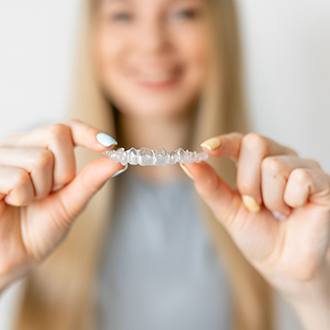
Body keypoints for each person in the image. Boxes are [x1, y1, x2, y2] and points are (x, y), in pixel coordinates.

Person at [0, 0, 329, 329]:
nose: (152, 42)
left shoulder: (277, 195)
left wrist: (310, 287)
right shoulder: (32, 180)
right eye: (123, 15)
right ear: (93, 33)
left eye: (182, 13)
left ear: (220, 30)